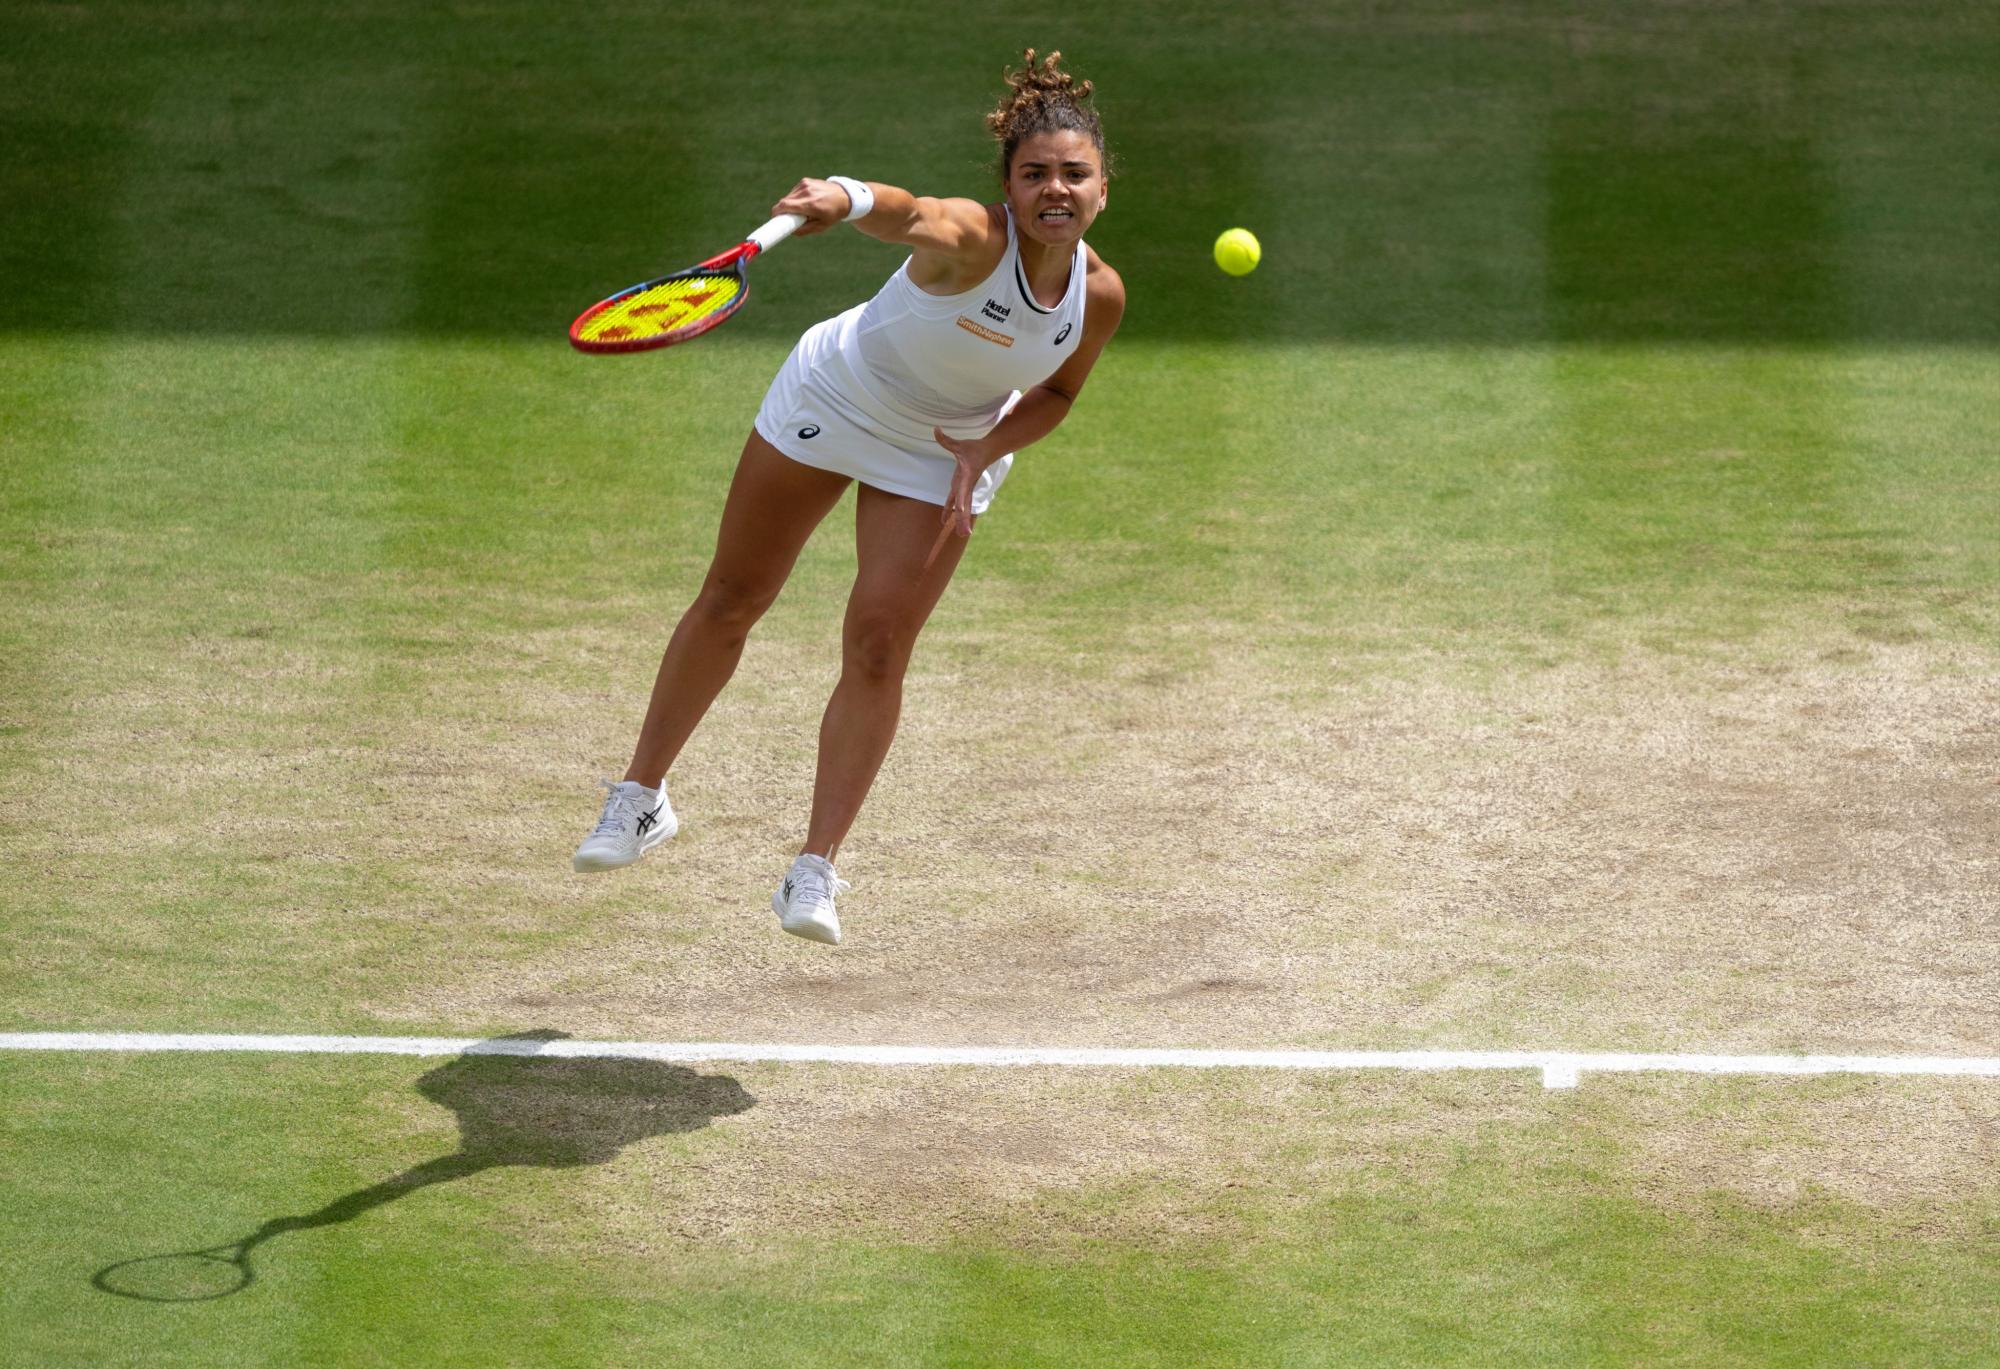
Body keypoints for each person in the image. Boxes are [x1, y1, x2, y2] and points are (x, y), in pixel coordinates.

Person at [571, 49, 1124, 946]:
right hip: (836, 396)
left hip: (942, 451)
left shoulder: (1099, 295)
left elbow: (1057, 396)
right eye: (1034, 175)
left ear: (1103, 189)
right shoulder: (975, 241)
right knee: (733, 595)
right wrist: (849, 198)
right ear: (1008, 187)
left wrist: (987, 445)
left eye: (1074, 174)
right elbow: (914, 212)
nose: (1054, 189)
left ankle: (815, 866)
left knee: (877, 646)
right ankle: (640, 797)